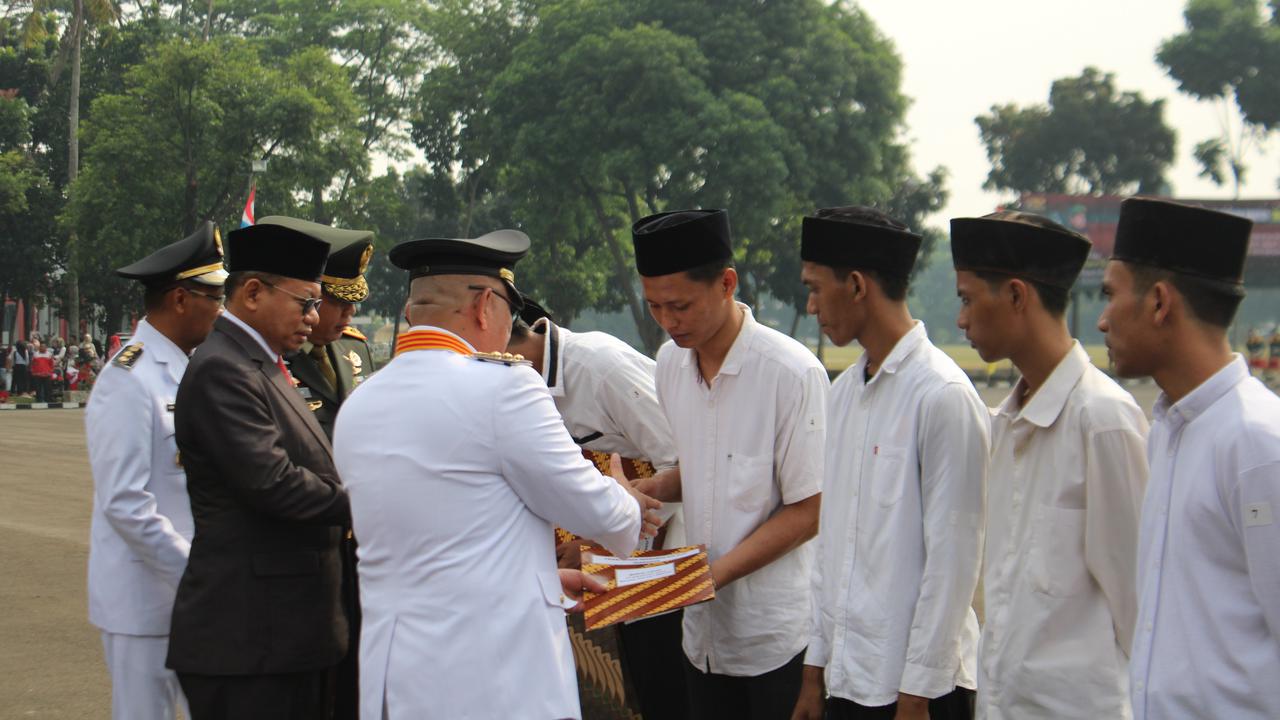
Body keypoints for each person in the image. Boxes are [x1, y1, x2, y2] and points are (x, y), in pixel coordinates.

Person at [332, 228, 660, 720]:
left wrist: (540, 580)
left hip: (397, 678)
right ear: (486, 305)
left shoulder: (360, 404)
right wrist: (626, 498)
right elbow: (599, 512)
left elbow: (443, 543)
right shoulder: (504, 388)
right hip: (494, 679)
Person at [629, 209, 827, 720]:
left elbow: (810, 510)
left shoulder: (790, 373)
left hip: (774, 637)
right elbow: (702, 472)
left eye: (681, 306)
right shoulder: (670, 363)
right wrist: (644, 490)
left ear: (726, 283)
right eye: (655, 307)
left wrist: (708, 577)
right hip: (701, 639)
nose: (669, 322)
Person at [792, 207, 988, 720]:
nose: (811, 306)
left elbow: (953, 565)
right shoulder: (843, 397)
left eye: (816, 288)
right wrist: (815, 671)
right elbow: (831, 548)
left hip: (921, 693)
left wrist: (917, 693)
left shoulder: (942, 396)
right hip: (850, 680)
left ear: (856, 285)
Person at [951, 210, 1148, 720]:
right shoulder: (1003, 424)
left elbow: (1139, 607)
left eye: (968, 299)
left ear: (1017, 296)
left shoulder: (1102, 420)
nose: (961, 319)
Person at [1097, 197, 1280, 719]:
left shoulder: (1258, 443)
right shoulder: (1169, 432)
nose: (1103, 320)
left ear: (1159, 302)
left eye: (1111, 295)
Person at [166, 222, 350, 720]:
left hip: (283, 633)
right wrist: (374, 496)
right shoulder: (224, 368)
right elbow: (275, 484)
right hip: (248, 638)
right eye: (305, 302)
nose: (314, 318)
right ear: (252, 292)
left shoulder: (262, 362)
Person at [507, 299, 688, 720]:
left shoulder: (596, 367)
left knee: (664, 689)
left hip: (663, 561)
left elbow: (683, 463)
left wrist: (599, 543)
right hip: (621, 553)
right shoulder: (530, 385)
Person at [85, 222, 228, 720]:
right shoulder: (129, 378)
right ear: (181, 299)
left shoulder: (189, 368)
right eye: (214, 297)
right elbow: (124, 502)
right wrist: (195, 569)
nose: (221, 309)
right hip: (144, 600)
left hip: (192, 594)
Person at [258, 215, 376, 720]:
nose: (346, 314)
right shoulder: (274, 360)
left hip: (360, 548)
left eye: (353, 303)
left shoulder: (355, 350)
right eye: (337, 301)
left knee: (356, 671)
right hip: (306, 537)